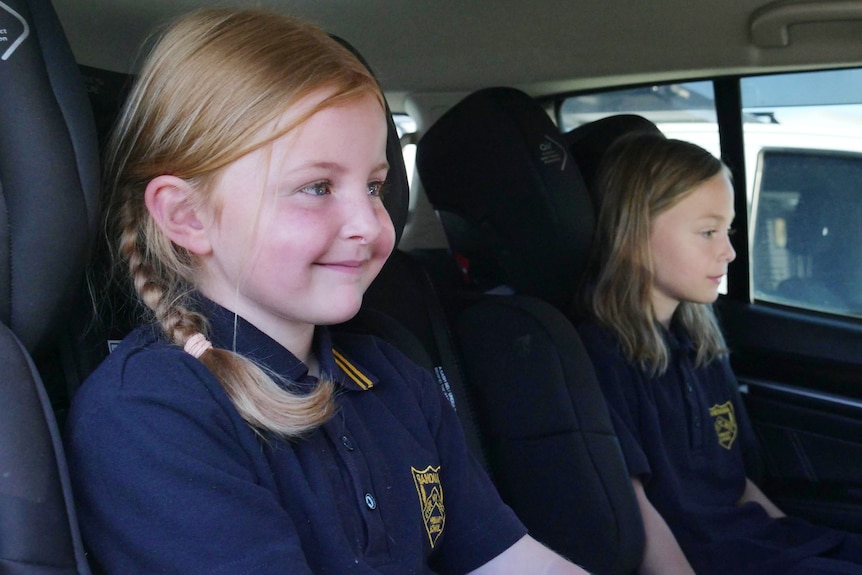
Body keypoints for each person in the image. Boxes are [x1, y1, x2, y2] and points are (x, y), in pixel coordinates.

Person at [64, 9, 589, 575]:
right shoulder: (152, 413)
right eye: (316, 187)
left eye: (374, 185)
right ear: (187, 216)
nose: (368, 220)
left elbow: (505, 558)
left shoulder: (392, 377)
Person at [576, 132, 862, 575]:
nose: (728, 251)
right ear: (633, 232)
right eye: (708, 232)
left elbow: (737, 485)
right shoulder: (603, 356)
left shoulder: (701, 347)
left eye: (726, 231)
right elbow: (635, 513)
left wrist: (800, 541)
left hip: (763, 544)